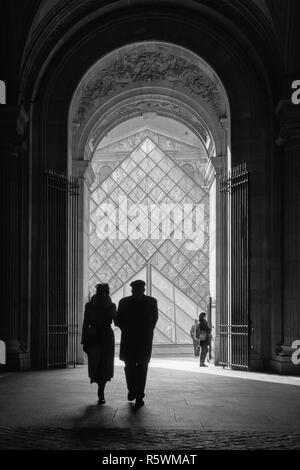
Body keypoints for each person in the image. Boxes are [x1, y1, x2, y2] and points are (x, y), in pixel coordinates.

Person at [116, 279, 158, 407]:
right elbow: (154, 320)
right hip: (144, 340)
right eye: (136, 290)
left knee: (130, 368)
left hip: (129, 339)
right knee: (141, 369)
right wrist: (146, 331)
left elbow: (118, 321)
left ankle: (134, 391)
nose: (136, 291)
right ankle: (138, 394)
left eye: (137, 290)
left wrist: (127, 330)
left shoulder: (123, 302)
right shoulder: (152, 302)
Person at [81, 283, 116, 404]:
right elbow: (85, 323)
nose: (100, 294)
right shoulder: (110, 306)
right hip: (104, 335)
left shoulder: (91, 306)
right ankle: (101, 390)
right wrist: (84, 341)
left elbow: (86, 324)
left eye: (102, 291)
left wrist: (84, 340)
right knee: (99, 364)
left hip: (97, 336)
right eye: (99, 291)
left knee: (102, 364)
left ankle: (101, 390)